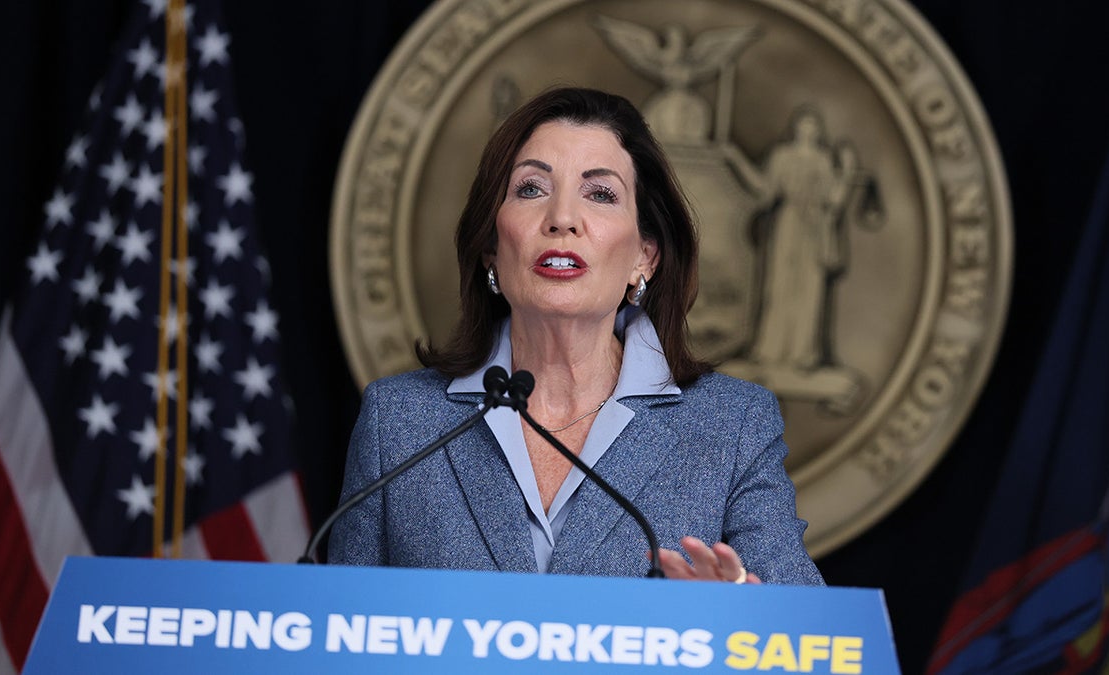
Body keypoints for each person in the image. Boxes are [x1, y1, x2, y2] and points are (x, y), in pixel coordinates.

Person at [328, 87, 822, 586]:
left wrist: (746, 614)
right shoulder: (397, 423)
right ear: (491, 250)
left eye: (600, 194)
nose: (561, 218)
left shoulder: (732, 427)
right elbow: (339, 638)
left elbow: (814, 642)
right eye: (531, 189)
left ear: (644, 257)